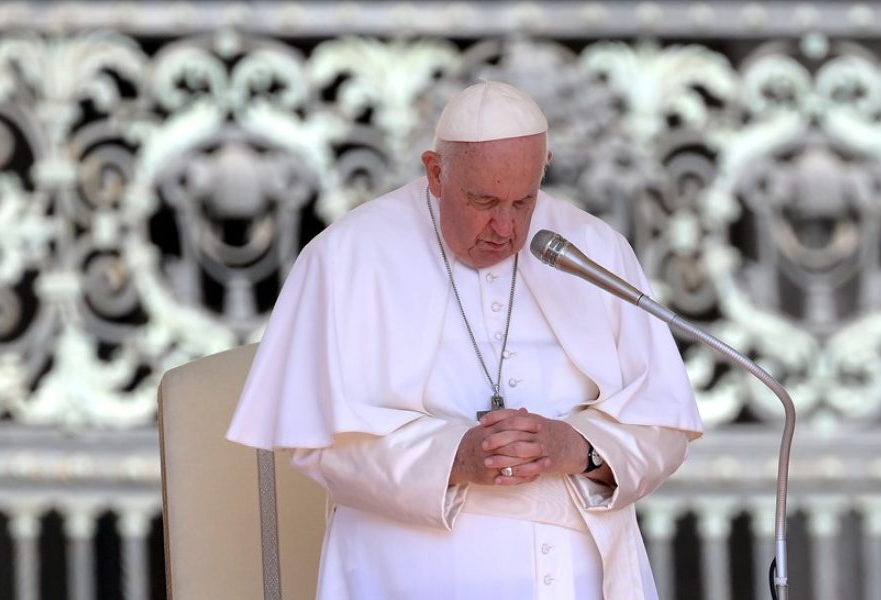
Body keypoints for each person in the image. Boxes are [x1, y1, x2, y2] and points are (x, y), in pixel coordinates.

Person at [227, 80, 703, 599]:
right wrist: (454, 457)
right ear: (435, 172)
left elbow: (663, 423)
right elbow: (318, 444)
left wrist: (580, 448)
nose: (506, 228)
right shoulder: (348, 256)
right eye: (484, 201)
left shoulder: (590, 249)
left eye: (524, 201)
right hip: (405, 575)